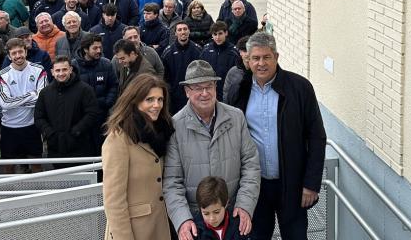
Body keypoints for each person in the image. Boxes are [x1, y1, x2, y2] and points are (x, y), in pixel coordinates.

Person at [228, 32, 327, 240]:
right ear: (248, 60)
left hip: (292, 185)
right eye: (255, 58)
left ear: (277, 57)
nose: (261, 63)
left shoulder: (300, 88)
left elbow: (317, 137)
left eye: (266, 57)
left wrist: (311, 183)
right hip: (256, 187)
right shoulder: (240, 90)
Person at [164, 60, 259, 240]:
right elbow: (171, 181)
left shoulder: (236, 117)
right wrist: (183, 220)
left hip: (233, 218)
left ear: (216, 87)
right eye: (198, 88)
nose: (205, 93)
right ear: (186, 91)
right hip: (197, 224)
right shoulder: (175, 127)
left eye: (209, 86)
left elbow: (251, 165)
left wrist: (245, 205)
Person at [101, 74, 174, 240]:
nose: (156, 105)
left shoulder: (162, 132)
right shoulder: (118, 139)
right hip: (133, 231)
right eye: (149, 99)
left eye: (160, 99)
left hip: (161, 225)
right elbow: (114, 201)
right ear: (135, 100)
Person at [0, 39, 47, 173]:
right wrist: (32, 94)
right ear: (9, 56)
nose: (18, 55)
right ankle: (10, 193)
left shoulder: (39, 70)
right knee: (9, 167)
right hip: (9, 127)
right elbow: (5, 103)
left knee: (36, 165)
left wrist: (16, 102)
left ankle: (39, 192)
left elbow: (43, 99)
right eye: (14, 53)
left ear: (26, 51)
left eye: (20, 51)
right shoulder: (2, 75)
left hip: (32, 126)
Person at [34, 56, 100, 161]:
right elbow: (39, 117)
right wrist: (50, 133)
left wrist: (76, 131)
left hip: (80, 147)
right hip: (55, 148)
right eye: (57, 70)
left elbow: (92, 114)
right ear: (52, 72)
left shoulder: (85, 89)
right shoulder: (45, 93)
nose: (61, 73)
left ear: (70, 69)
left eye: (64, 69)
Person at [74, 35, 119, 146]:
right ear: (85, 49)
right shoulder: (73, 66)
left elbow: (114, 86)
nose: (99, 50)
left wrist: (107, 102)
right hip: (82, 118)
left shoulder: (106, 64)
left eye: (100, 47)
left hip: (102, 116)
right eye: (95, 48)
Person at [161, 22, 202, 114]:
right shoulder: (168, 52)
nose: (183, 32)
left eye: (185, 29)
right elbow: (164, 77)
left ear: (189, 31)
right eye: (179, 30)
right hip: (175, 97)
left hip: (194, 94)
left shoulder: (198, 50)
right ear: (175, 33)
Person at [201, 22, 238, 100]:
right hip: (209, 92)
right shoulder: (206, 50)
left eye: (220, 34)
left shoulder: (233, 52)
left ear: (226, 33)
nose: (217, 37)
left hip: (227, 93)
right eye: (215, 34)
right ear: (212, 35)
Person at [223, 38, 250, 104]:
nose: (247, 54)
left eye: (249, 51)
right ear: (240, 52)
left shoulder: (259, 72)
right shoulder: (233, 72)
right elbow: (226, 96)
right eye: (244, 51)